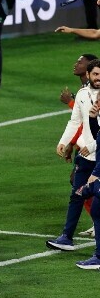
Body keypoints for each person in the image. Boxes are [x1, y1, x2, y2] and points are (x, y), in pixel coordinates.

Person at [48, 58, 100, 252]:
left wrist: (93, 145)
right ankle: (66, 237)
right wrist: (63, 142)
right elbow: (75, 121)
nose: (98, 78)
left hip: (98, 155)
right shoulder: (82, 95)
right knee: (76, 195)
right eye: (95, 74)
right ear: (88, 75)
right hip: (85, 157)